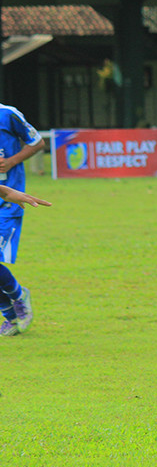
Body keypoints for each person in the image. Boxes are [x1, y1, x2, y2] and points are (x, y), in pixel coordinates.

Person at [0, 103, 48, 336]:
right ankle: (10, 316)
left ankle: (19, 296)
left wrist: (11, 161)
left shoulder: (7, 114)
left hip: (8, 203)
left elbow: (37, 142)